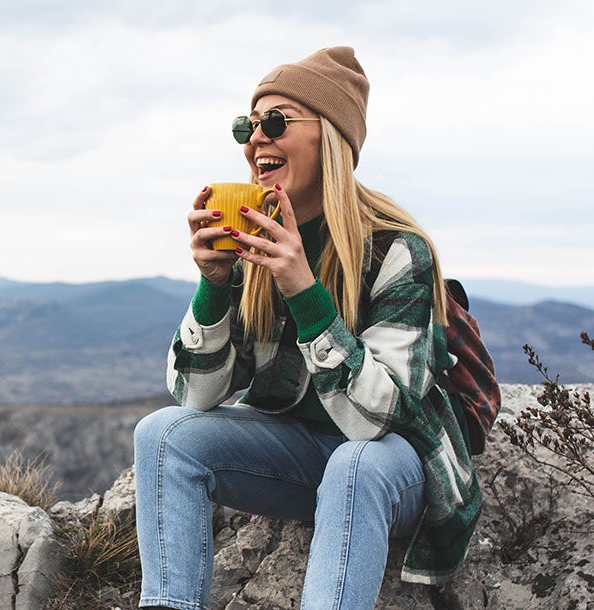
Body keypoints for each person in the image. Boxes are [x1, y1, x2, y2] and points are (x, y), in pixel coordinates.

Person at [133, 47, 481, 610]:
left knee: (355, 462)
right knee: (163, 434)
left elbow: (377, 421)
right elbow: (194, 396)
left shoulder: (397, 251)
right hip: (305, 455)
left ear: (333, 139)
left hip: (395, 464)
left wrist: (303, 290)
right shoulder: (259, 244)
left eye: (275, 122)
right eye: (248, 125)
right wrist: (214, 282)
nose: (255, 140)